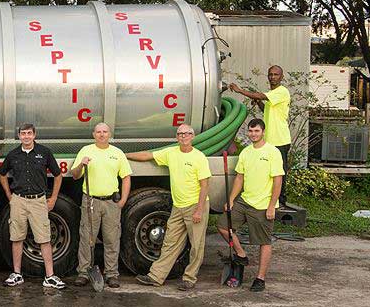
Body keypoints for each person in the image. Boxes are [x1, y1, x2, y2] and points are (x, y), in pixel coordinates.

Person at [127, 124, 211, 291]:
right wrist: (123, 155)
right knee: (170, 242)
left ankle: (189, 278)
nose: (183, 137)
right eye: (180, 134)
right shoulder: (171, 153)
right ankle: (156, 276)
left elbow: (205, 185)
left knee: (196, 245)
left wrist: (199, 210)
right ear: (176, 137)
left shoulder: (199, 157)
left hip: (195, 205)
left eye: (186, 134)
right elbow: (148, 155)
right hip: (178, 206)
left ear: (192, 136)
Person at [216, 118, 284, 292]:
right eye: (251, 131)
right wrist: (231, 199)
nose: (253, 134)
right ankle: (241, 254)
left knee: (264, 242)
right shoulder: (246, 152)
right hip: (244, 201)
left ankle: (260, 279)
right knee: (223, 226)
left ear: (263, 132)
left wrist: (271, 206)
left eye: (257, 131)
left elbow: (278, 180)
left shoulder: (272, 152)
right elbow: (240, 177)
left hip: (262, 205)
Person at [0, 123, 66, 289]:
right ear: (19, 136)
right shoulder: (13, 155)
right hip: (18, 200)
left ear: (34, 135)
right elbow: (2, 174)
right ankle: (17, 274)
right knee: (17, 237)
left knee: (44, 238)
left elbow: (58, 175)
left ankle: (50, 276)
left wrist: (53, 198)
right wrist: (9, 195)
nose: (26, 136)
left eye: (29, 133)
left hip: (38, 201)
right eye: (23, 133)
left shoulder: (44, 152)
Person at [70, 122, 131, 289]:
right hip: (90, 201)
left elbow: (126, 177)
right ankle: (83, 273)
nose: (102, 134)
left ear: (109, 134)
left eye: (105, 132)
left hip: (111, 202)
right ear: (93, 134)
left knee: (112, 239)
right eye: (98, 132)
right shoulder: (86, 150)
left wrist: (123, 200)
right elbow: (75, 175)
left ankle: (112, 274)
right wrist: (82, 164)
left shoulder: (117, 153)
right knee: (87, 238)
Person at [228, 65, 291, 205]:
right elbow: (266, 110)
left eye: (276, 74)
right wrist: (258, 103)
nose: (273, 77)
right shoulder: (272, 94)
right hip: (270, 140)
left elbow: (261, 95)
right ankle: (270, 198)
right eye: (271, 74)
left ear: (282, 77)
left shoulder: (282, 92)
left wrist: (240, 90)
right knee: (268, 171)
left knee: (279, 172)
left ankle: (281, 201)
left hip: (280, 139)